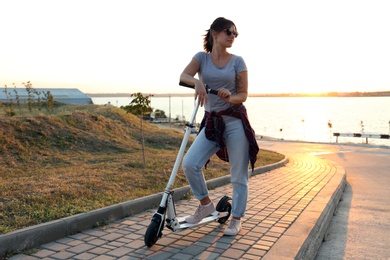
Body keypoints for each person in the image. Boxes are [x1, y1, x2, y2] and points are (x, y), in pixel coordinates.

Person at [179, 17, 259, 236]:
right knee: (190, 163)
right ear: (215, 33)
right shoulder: (201, 58)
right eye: (229, 32)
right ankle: (205, 205)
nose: (232, 36)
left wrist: (230, 96)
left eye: (235, 34)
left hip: (234, 121)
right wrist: (197, 82)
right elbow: (184, 76)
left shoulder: (238, 61)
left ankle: (236, 219)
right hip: (212, 122)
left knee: (238, 175)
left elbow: (243, 95)